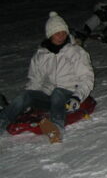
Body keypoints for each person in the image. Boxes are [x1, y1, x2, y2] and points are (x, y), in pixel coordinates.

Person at [0, 12, 95, 143]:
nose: (61, 36)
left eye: (63, 32)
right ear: (50, 34)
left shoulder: (76, 52)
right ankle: (2, 121)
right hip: (49, 97)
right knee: (26, 96)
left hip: (69, 95)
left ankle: (56, 128)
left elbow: (86, 78)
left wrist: (77, 97)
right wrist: (30, 104)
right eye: (57, 33)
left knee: (58, 92)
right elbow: (35, 81)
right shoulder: (41, 55)